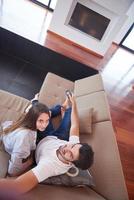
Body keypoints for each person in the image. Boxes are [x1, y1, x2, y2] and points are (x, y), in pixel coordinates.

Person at [0, 92, 94, 194]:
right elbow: (75, 125)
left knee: (38, 113)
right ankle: (64, 106)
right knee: (69, 112)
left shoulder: (49, 166)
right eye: (72, 145)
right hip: (58, 137)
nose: (66, 147)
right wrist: (75, 104)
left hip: (42, 139)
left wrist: (30, 162)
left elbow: (17, 186)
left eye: (70, 154)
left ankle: (36, 102)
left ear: (72, 164)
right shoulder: (73, 146)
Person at [0, 103, 50, 177]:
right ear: (32, 119)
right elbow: (12, 172)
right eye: (41, 121)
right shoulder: (24, 137)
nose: (45, 125)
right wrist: (30, 162)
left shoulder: (28, 123)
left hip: (9, 133)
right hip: (10, 141)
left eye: (47, 120)